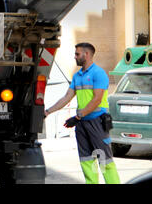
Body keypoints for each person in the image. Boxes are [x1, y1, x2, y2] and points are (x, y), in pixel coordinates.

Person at [44, 43, 120, 184]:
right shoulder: (77, 76)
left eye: (77, 54)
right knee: (86, 160)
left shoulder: (99, 73)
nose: (75, 57)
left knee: (105, 160)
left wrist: (78, 116)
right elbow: (67, 97)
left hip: (97, 122)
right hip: (82, 124)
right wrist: (47, 112)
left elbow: (97, 99)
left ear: (86, 54)